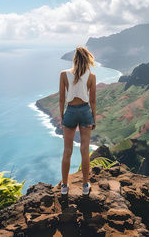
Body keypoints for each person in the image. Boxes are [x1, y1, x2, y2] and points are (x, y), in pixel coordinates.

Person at [59, 46, 97, 195]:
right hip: (85, 112)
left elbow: (62, 99)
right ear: (87, 59)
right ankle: (85, 186)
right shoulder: (91, 77)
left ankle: (64, 187)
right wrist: (94, 118)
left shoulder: (63, 74)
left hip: (70, 112)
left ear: (74, 59)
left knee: (67, 151)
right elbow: (92, 101)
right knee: (84, 151)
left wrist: (62, 116)